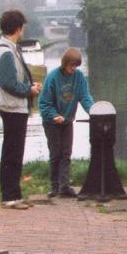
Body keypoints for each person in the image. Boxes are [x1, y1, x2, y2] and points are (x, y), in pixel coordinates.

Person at [0, 10, 42, 209]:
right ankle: (9, 197)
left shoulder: (9, 48)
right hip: (13, 107)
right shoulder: (5, 51)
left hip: (15, 107)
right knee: (12, 153)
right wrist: (29, 90)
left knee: (14, 152)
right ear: (18, 28)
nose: (24, 31)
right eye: (23, 27)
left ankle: (15, 194)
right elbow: (8, 83)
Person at [39, 47, 94, 198]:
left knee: (66, 154)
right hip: (51, 122)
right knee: (55, 154)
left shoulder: (79, 77)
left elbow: (85, 97)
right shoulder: (52, 77)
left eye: (76, 66)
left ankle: (65, 187)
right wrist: (54, 115)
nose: (73, 68)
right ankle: (54, 186)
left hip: (67, 120)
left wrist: (93, 111)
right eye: (71, 65)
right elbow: (43, 103)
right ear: (65, 63)